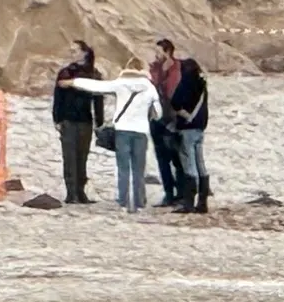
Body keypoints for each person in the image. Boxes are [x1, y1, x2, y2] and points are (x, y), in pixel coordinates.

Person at [59, 58, 161, 214]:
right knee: (138, 169)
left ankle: (124, 202)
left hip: (123, 131)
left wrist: (73, 82)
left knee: (123, 168)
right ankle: (139, 202)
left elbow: (97, 86)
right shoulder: (150, 88)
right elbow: (158, 113)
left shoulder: (120, 83)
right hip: (141, 132)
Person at [52, 40, 105, 204]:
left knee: (82, 157)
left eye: (75, 51)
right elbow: (58, 98)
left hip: (85, 121)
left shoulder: (94, 74)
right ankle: (71, 193)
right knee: (69, 157)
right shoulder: (65, 73)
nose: (71, 54)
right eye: (71, 51)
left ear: (84, 53)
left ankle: (81, 192)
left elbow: (98, 100)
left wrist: (100, 121)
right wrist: (57, 119)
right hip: (68, 120)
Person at [170, 58, 210, 214]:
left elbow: (175, 101)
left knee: (189, 165)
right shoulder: (202, 83)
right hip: (200, 127)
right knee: (201, 165)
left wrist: (183, 115)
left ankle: (188, 202)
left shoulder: (187, 82)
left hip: (188, 127)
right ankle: (202, 201)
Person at [149, 38, 186, 207]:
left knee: (177, 158)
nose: (155, 55)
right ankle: (169, 193)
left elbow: (172, 92)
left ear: (167, 52)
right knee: (162, 158)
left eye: (158, 52)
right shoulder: (155, 69)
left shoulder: (177, 69)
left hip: (172, 119)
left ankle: (182, 193)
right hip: (156, 118)